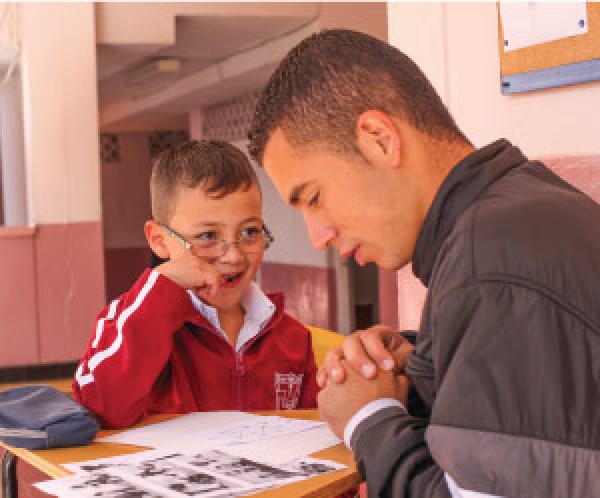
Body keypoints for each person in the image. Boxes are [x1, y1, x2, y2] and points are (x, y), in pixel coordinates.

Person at [248, 29, 600, 497]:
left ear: (378, 139)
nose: (318, 237)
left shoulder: (489, 261)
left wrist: (368, 419)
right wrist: (420, 368)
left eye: (314, 198)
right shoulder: (522, 207)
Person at [73, 140, 318, 429]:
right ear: (159, 241)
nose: (233, 255)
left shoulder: (292, 339)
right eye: (207, 236)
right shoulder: (126, 323)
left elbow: (314, 433)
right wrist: (161, 288)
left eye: (250, 232)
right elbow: (100, 408)